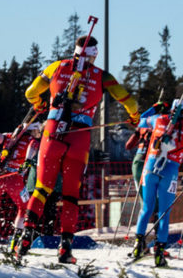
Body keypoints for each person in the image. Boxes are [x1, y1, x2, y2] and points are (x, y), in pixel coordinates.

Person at [18, 35, 139, 264]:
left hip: (53, 129)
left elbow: (31, 92)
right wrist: (134, 117)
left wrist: (40, 105)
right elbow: (129, 102)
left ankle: (26, 234)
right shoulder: (102, 76)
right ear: (94, 54)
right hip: (80, 135)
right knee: (71, 195)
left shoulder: (57, 66)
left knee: (42, 189)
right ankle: (65, 248)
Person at [131, 99, 183, 268]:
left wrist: (155, 107)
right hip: (169, 170)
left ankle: (138, 244)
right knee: (164, 212)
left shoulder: (158, 119)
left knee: (147, 208)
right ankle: (159, 252)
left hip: (150, 166)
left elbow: (142, 119)